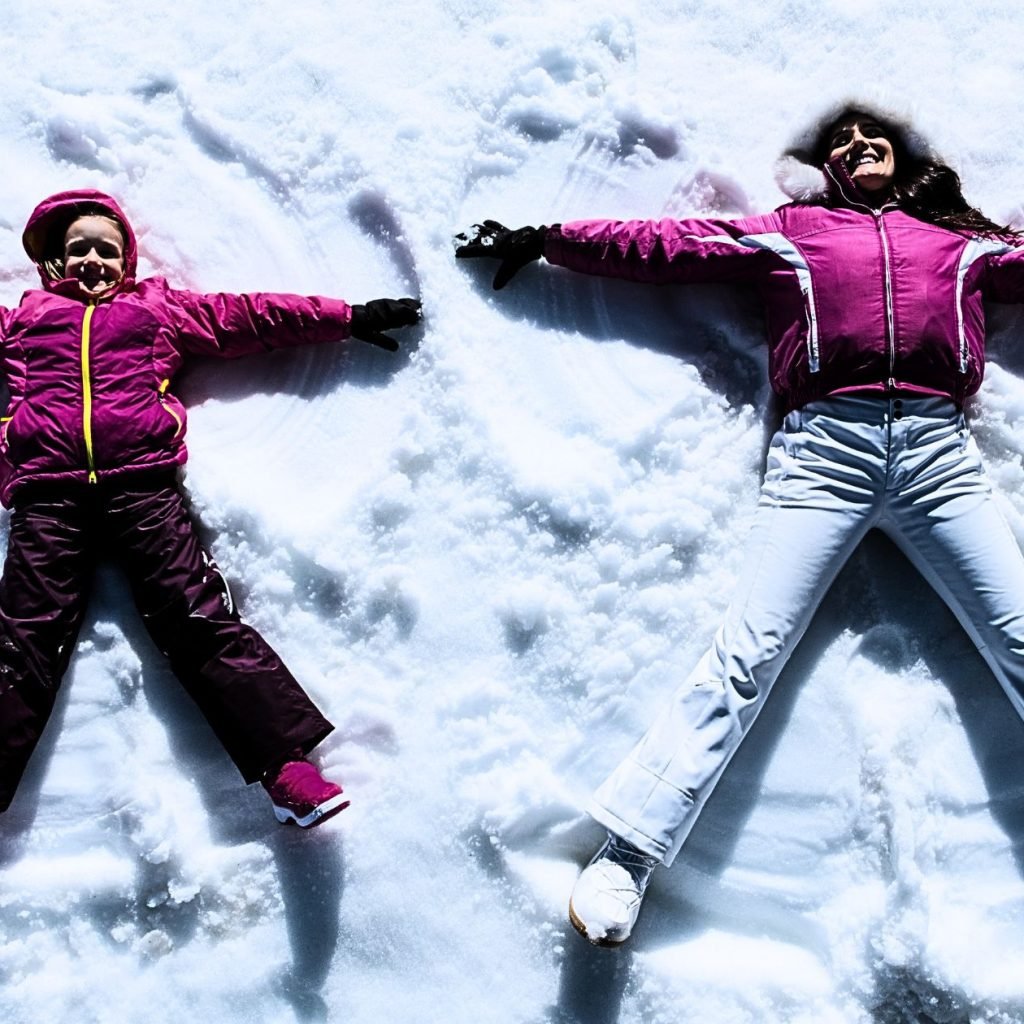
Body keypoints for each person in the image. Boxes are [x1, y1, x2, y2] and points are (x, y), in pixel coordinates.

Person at [454, 101, 1024, 944]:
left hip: (940, 456)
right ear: (825, 163)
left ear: (904, 160)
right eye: (843, 139)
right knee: (747, 656)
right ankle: (630, 851)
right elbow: (667, 248)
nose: (861, 145)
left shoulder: (961, 244)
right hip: (825, 454)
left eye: (877, 139)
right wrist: (547, 238)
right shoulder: (792, 234)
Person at [0, 189, 421, 828]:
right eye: (78, 247)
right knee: (23, 639)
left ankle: (287, 768)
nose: (93, 259)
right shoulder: (25, 321)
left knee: (195, 618)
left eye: (106, 250)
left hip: (142, 489)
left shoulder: (155, 312)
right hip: (46, 495)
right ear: (56, 262)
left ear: (126, 262)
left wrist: (347, 316)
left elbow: (247, 318)